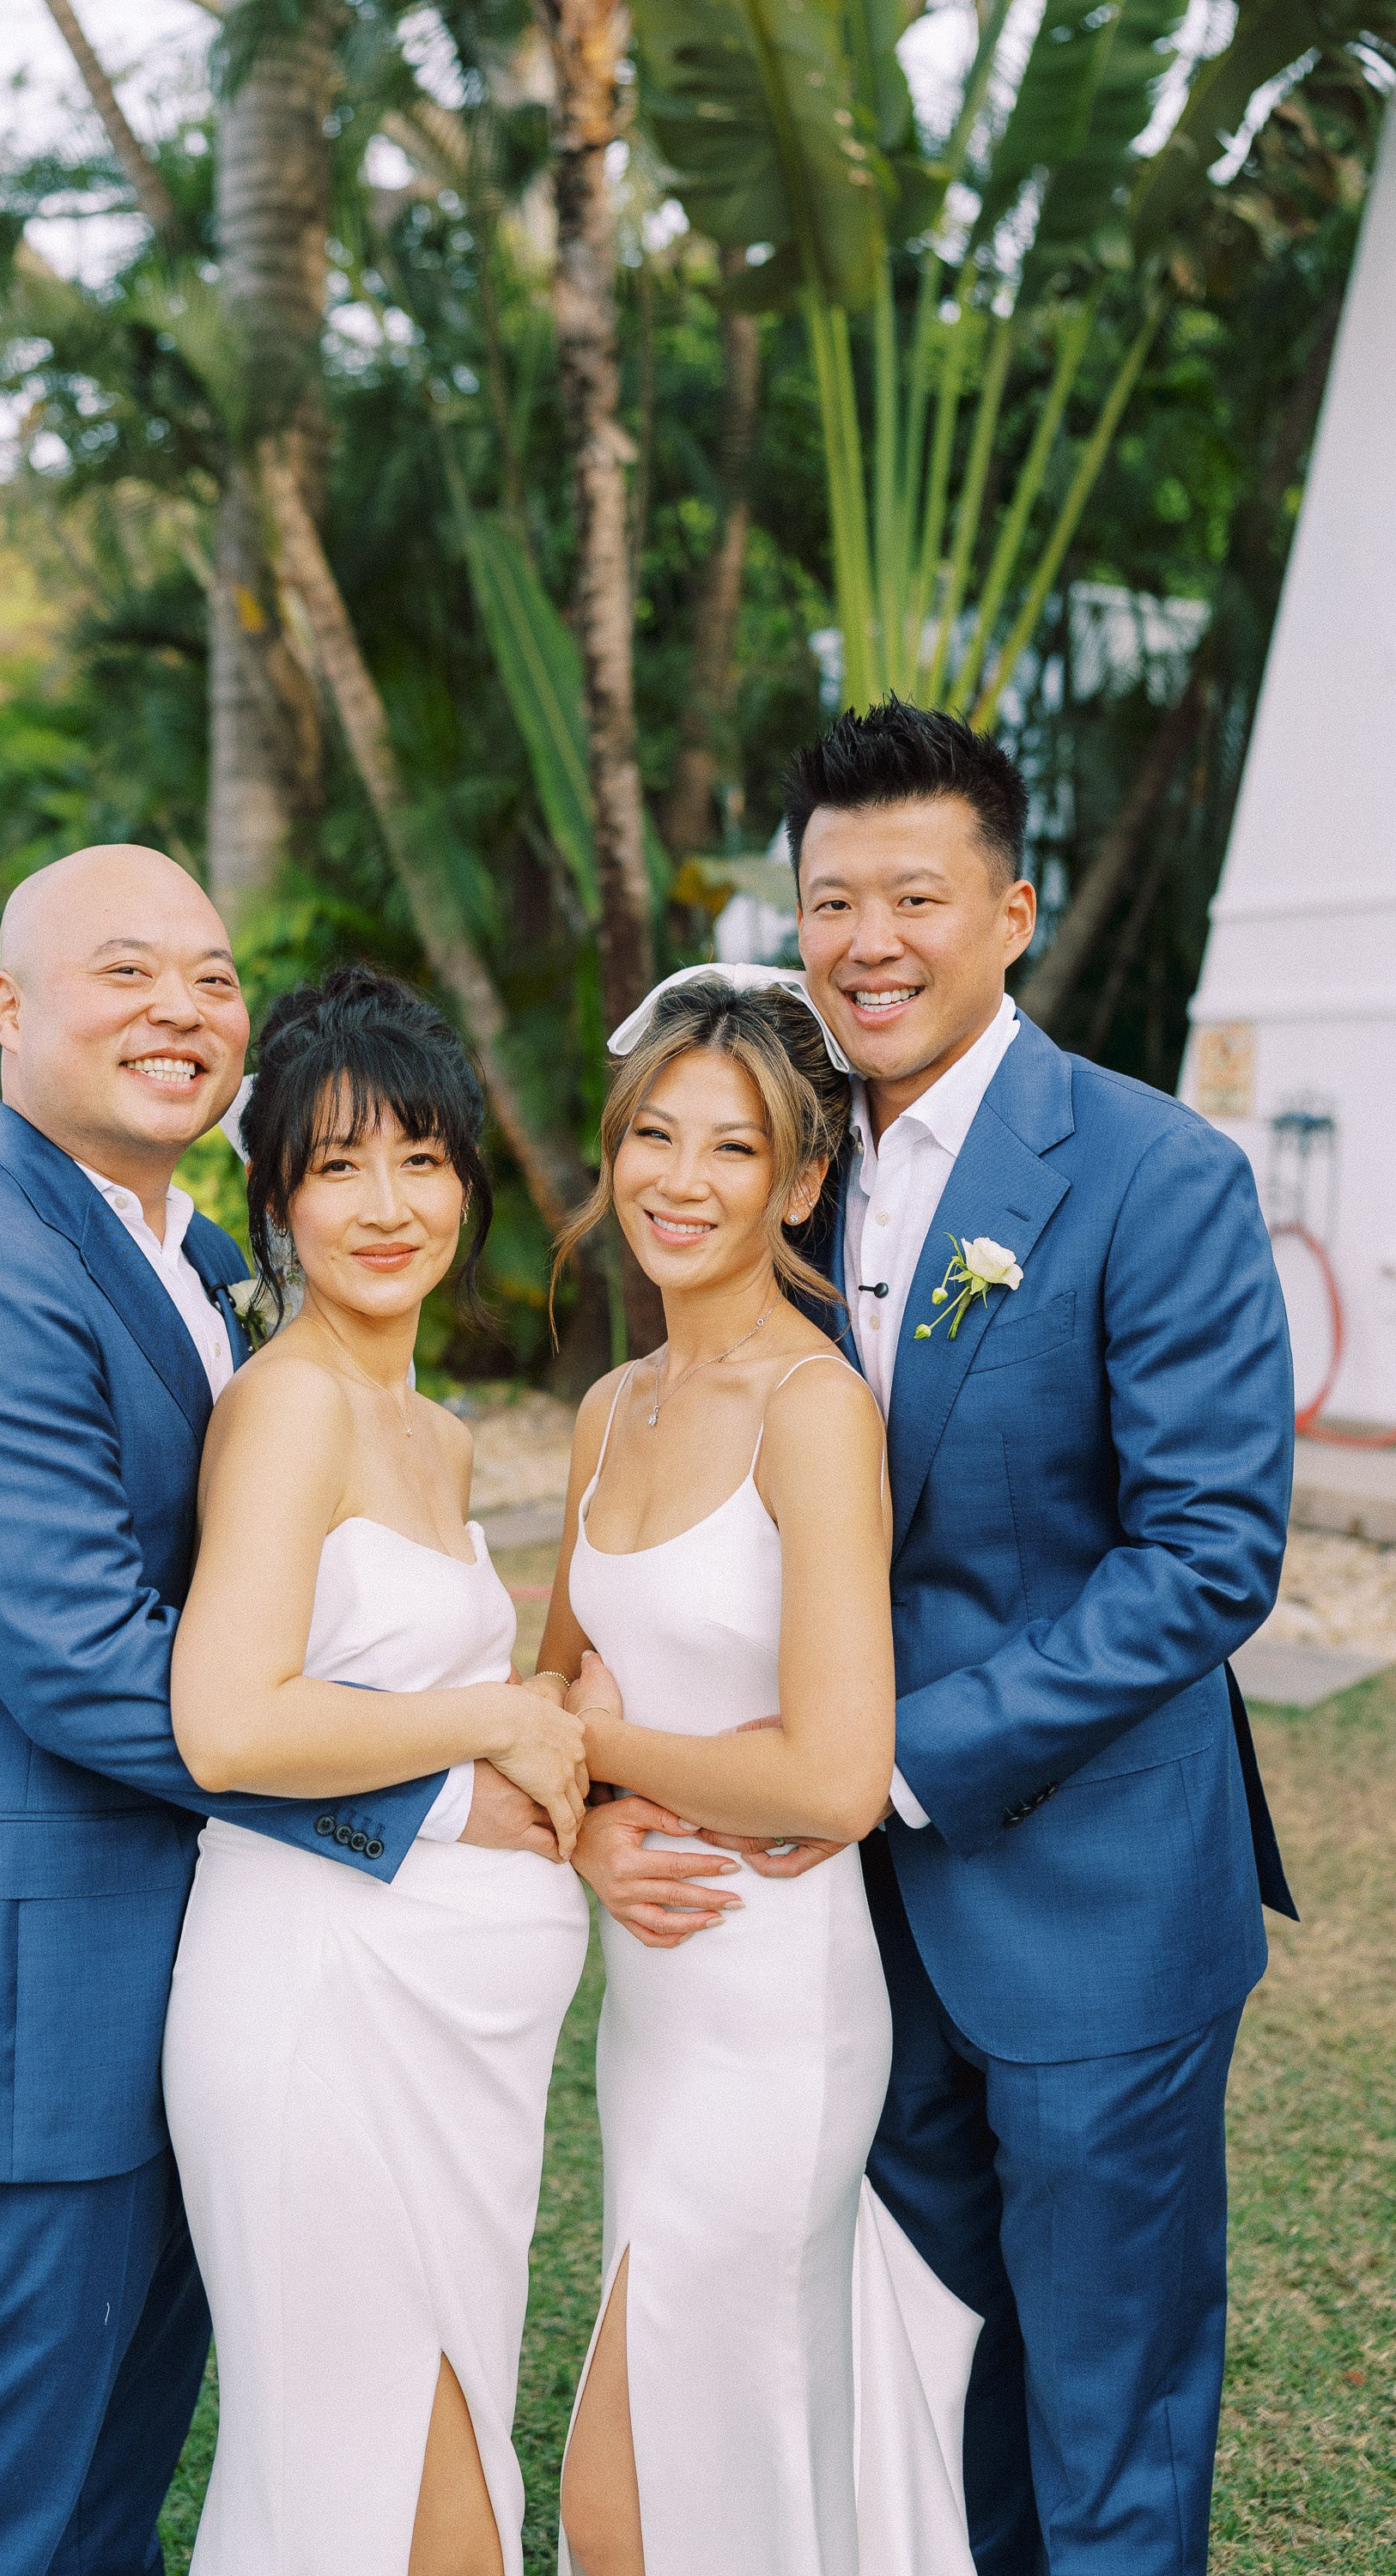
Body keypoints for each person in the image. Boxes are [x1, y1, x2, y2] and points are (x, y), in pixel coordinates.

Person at [595, 699, 1294, 2576]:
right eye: (833, 900)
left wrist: (894, 1762)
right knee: (923, 2379)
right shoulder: (781, 1166)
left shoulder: (1154, 1175)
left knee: (1107, 2405)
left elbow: (1209, 1551)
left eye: (916, 894)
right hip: (837, 1945)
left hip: (1086, 1900)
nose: (868, 941)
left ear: (1013, 913)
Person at [0, 852, 549, 2576]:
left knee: (96, 2511)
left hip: (189, 1991)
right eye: (121, 971)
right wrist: (440, 1791)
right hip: (13, 2017)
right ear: (7, 1006)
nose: (178, 1009)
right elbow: (85, 1662)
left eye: (209, 978)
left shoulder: (184, 1260)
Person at [540, 975, 982, 2576]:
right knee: (717, 2444)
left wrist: (597, 1750)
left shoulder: (816, 1407)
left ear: (800, 1182)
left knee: (637, 2482)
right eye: (652, 1135)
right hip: (647, 2016)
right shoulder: (607, 1410)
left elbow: (837, 1775)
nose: (679, 1179)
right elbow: (546, 1703)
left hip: (779, 2013)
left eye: (733, 1150)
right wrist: (588, 1824)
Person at [161, 965, 591, 2576]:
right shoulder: (285, 1414)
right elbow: (233, 1721)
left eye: (420, 1156)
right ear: (276, 1200)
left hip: (453, 2052)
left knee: (441, 2474)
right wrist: (489, 1722)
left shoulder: (435, 1430)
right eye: (335, 1166)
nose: (387, 1204)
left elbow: (414, 1684)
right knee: (379, 2506)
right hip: (317, 2019)